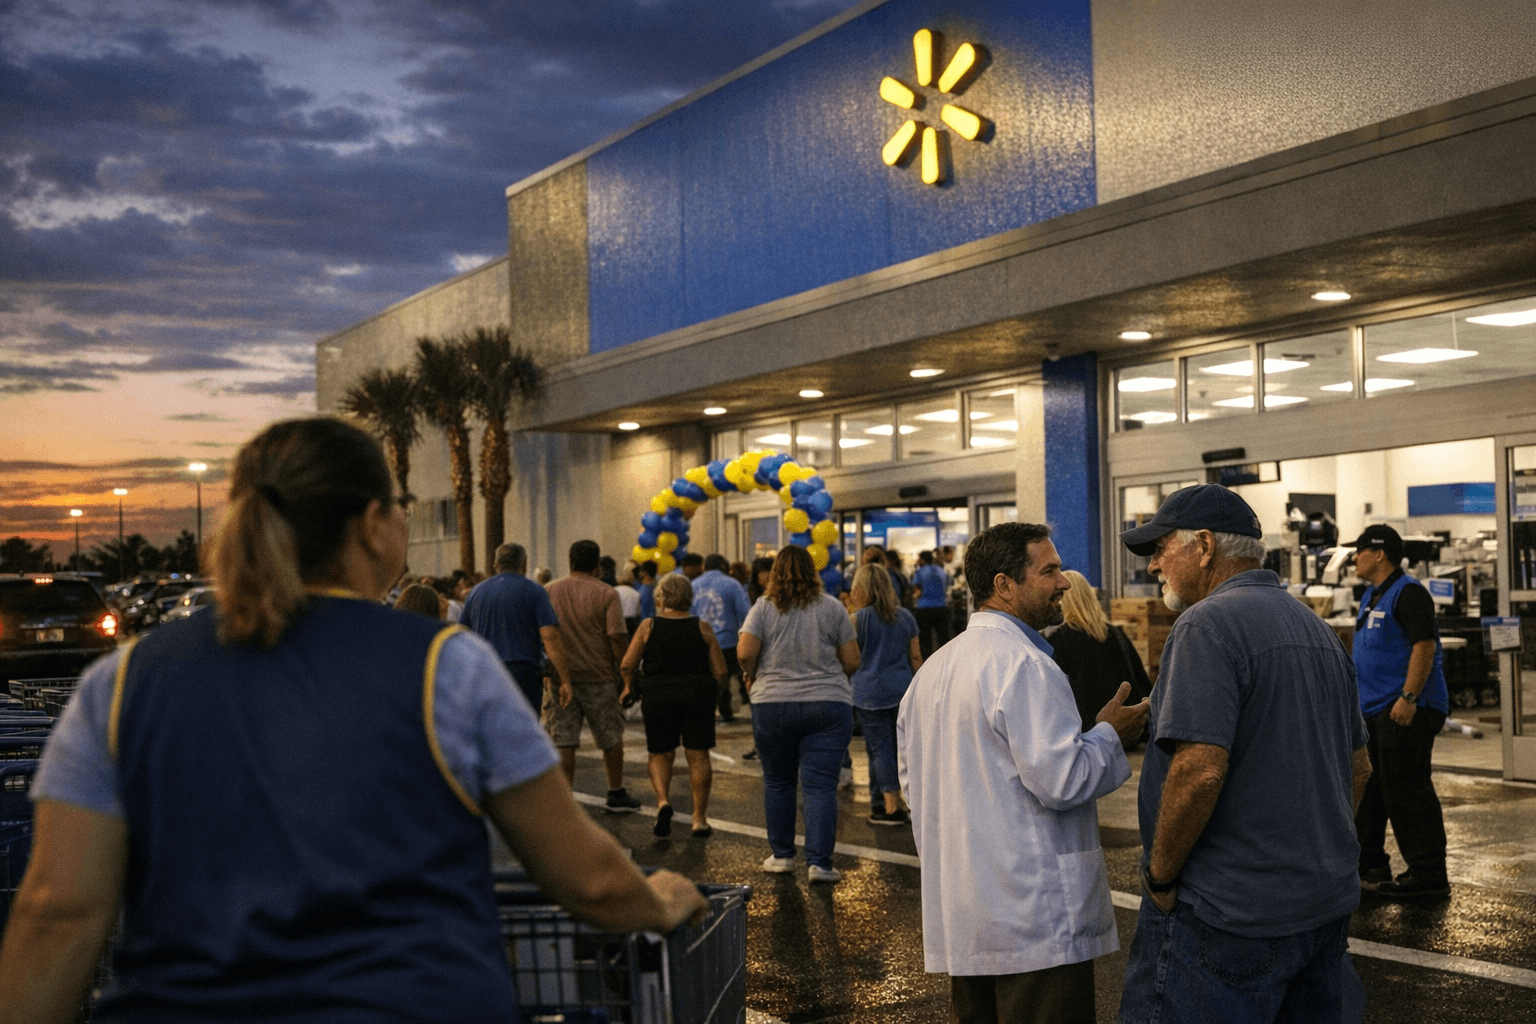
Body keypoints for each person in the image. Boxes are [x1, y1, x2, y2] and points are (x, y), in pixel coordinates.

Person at [0, 417, 706, 1024]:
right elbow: (584, 876)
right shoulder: (446, 668)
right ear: (372, 525)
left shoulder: (122, 683)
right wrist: (657, 901)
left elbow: (59, 912)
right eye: (399, 507)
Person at [1117, 484, 1373, 1024]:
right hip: (1320, 908)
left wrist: (1160, 878)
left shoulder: (1205, 626)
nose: (1155, 564)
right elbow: (1359, 768)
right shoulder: (1318, 631)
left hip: (1227, 915)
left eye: (1161, 548)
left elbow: (1200, 772)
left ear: (1204, 546)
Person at [898, 523, 1147, 1024]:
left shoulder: (932, 672)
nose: (1064, 582)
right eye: (1049, 571)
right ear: (1004, 585)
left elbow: (913, 787)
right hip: (1034, 920)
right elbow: (1063, 780)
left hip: (967, 916)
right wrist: (1109, 734)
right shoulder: (1025, 665)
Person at [737, 545, 860, 883]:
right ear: (813, 571)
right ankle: (820, 864)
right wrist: (828, 678)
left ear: (775, 572)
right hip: (828, 704)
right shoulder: (833, 607)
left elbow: (745, 652)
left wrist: (753, 675)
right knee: (821, 785)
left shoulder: (763, 607)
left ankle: (781, 856)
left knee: (779, 781)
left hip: (773, 703)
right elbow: (852, 660)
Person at [1348, 524, 1451, 899]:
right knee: (1372, 789)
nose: (1354, 557)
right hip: (1376, 710)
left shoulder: (1409, 593)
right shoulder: (1373, 594)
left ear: (1379, 554)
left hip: (1406, 707)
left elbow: (1424, 646)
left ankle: (1429, 874)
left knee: (1406, 790)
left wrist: (1409, 696)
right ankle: (1371, 864)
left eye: (1360, 550)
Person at [620, 573, 727, 838]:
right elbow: (721, 672)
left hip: (658, 694)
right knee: (698, 756)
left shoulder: (648, 626)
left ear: (662, 597)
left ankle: (663, 802)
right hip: (697, 694)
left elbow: (627, 664)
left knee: (660, 753)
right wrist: (714, 695)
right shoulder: (702, 627)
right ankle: (699, 818)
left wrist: (628, 686)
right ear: (689, 597)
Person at [545, 540, 640, 813]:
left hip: (561, 678)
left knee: (564, 740)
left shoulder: (549, 590)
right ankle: (615, 792)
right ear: (597, 565)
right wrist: (625, 673)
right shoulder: (607, 594)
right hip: (600, 676)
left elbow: (545, 632)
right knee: (610, 737)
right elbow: (616, 637)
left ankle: (564, 800)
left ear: (570, 562)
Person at [848, 563, 921, 826]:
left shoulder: (857, 620)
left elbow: (849, 658)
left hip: (869, 692)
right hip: (902, 689)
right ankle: (878, 802)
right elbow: (916, 657)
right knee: (895, 748)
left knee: (879, 749)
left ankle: (892, 806)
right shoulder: (906, 617)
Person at [461, 542, 572, 713]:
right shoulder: (535, 591)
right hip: (523, 673)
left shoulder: (475, 592)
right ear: (523, 564)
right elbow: (550, 636)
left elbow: (461, 634)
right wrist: (565, 680)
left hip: (485, 671)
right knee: (523, 724)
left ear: (496, 564)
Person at [1048, 569, 1152, 733]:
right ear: (1089, 597)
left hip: (1084, 735)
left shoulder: (1058, 641)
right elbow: (1143, 683)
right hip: (1125, 732)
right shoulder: (1116, 634)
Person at [691, 554, 752, 723]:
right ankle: (730, 711)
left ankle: (709, 712)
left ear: (704, 567)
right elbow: (745, 613)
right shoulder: (732, 584)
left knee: (708, 678)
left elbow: (689, 613)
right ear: (724, 567)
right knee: (733, 675)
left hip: (701, 640)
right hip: (727, 640)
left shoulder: (693, 585)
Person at [910, 549, 952, 656]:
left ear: (923, 560)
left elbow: (916, 590)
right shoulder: (941, 570)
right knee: (943, 639)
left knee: (925, 640)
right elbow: (948, 583)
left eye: (919, 558)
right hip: (941, 607)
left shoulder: (920, 572)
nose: (918, 561)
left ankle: (927, 661)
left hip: (924, 608)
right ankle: (945, 660)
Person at [614, 563, 642, 635]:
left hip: (618, 621)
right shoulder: (636, 593)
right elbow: (639, 611)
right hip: (632, 622)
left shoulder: (614, 590)